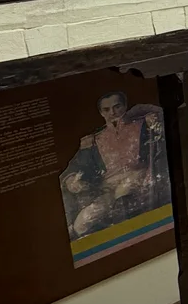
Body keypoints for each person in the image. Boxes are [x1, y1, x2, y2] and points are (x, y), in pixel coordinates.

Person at [60, 92, 168, 240]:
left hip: (138, 179)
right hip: (107, 189)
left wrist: (141, 113)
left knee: (124, 195)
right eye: (106, 109)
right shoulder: (94, 139)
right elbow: (76, 165)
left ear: (125, 106)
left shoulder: (143, 124)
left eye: (117, 107)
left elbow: (163, 115)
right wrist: (71, 180)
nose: (112, 112)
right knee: (82, 222)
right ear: (101, 113)